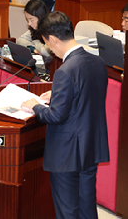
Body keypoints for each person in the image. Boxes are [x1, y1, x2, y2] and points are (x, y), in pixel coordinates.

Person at [21, 11, 109, 219]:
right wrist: (60, 93)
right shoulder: (97, 62)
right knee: (87, 209)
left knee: (67, 211)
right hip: (90, 147)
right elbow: (88, 94)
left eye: (47, 43)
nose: (50, 49)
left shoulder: (65, 71)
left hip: (67, 154)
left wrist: (35, 106)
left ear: (53, 39)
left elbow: (55, 116)